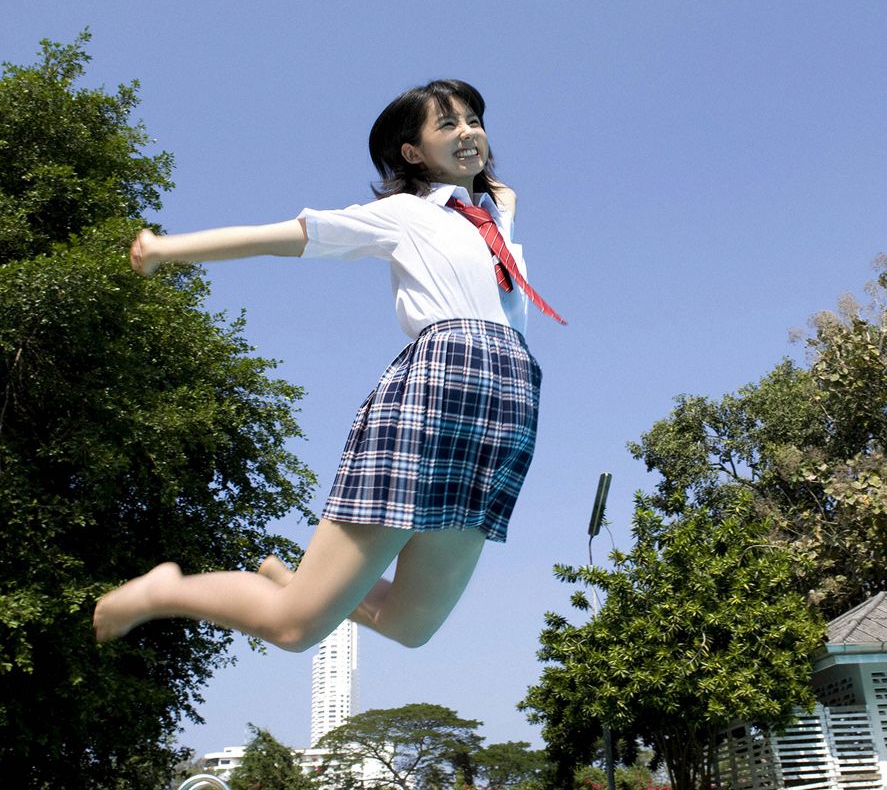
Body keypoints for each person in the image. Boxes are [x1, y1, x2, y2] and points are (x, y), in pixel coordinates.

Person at [93, 79, 562, 654]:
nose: (467, 133)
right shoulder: (403, 215)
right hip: (441, 386)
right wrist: (167, 249)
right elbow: (285, 238)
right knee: (293, 628)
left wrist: (497, 197)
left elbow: (501, 216)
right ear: (413, 153)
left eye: (474, 121)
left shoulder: (492, 219)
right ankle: (165, 591)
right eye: (447, 125)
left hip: (510, 405)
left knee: (410, 626)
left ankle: (302, 582)